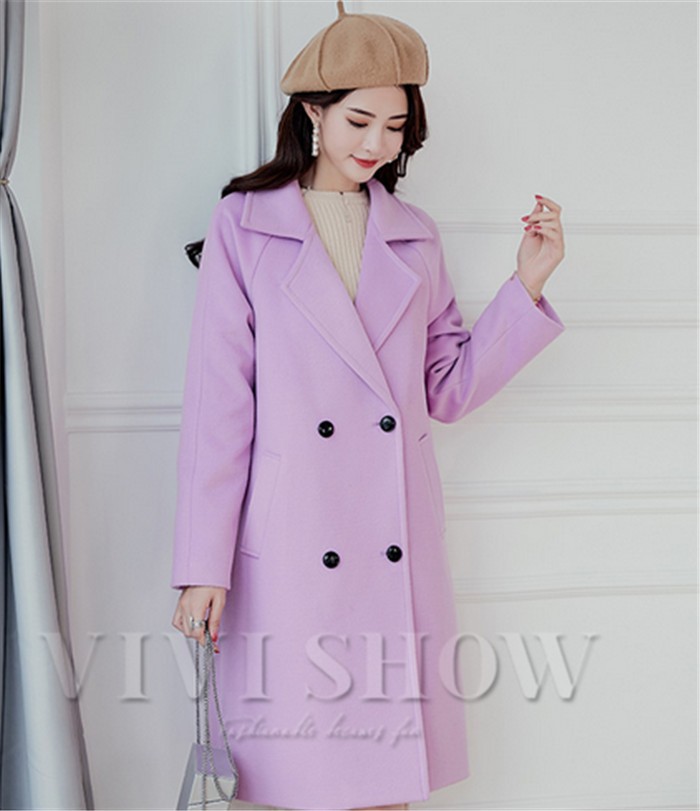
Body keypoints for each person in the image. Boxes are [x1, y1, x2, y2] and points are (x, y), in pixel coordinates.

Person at [170, 3, 565, 810]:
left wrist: (526, 284)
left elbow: (446, 387)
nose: (376, 144)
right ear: (312, 113)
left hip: (393, 540)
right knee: (300, 778)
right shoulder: (244, 225)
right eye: (358, 120)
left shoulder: (414, 234)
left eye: (395, 126)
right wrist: (202, 566)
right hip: (292, 542)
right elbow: (219, 409)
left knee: (386, 783)